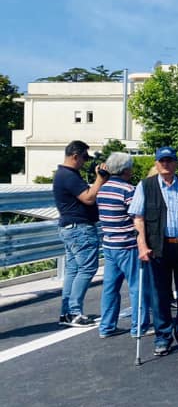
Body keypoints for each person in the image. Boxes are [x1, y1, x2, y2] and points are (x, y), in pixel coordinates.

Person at [130, 147, 178, 356]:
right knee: (160, 295)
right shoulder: (146, 186)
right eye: (162, 161)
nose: (166, 164)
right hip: (158, 248)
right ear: (156, 164)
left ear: (176, 163)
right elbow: (138, 218)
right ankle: (162, 337)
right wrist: (142, 246)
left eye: (169, 161)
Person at [54, 140, 109, 327]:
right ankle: (74, 311)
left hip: (70, 227)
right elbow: (88, 197)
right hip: (79, 228)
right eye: (84, 157)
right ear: (75, 156)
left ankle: (67, 312)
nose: (86, 161)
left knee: (73, 269)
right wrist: (100, 180)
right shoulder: (68, 176)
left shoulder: (63, 174)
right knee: (87, 268)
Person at [96, 152, 151, 338]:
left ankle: (106, 326)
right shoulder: (129, 190)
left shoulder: (102, 189)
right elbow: (137, 216)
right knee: (138, 287)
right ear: (126, 169)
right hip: (128, 245)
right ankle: (139, 327)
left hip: (109, 244)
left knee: (110, 287)